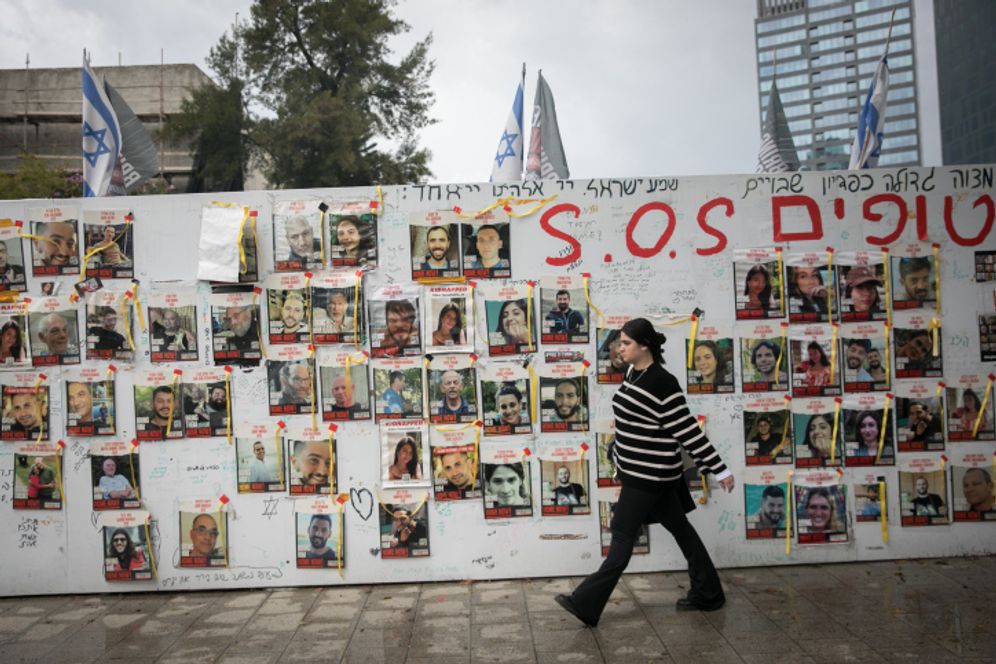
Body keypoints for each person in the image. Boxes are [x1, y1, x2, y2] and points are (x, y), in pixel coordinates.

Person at [555, 318, 734, 627]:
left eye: (625, 343)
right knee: (682, 530)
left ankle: (586, 603)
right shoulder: (633, 373)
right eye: (619, 343)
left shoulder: (663, 383)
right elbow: (634, 423)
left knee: (622, 538)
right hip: (645, 473)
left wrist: (719, 469)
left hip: (648, 478)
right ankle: (709, 593)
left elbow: (688, 432)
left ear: (644, 346)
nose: (619, 347)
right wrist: (616, 451)